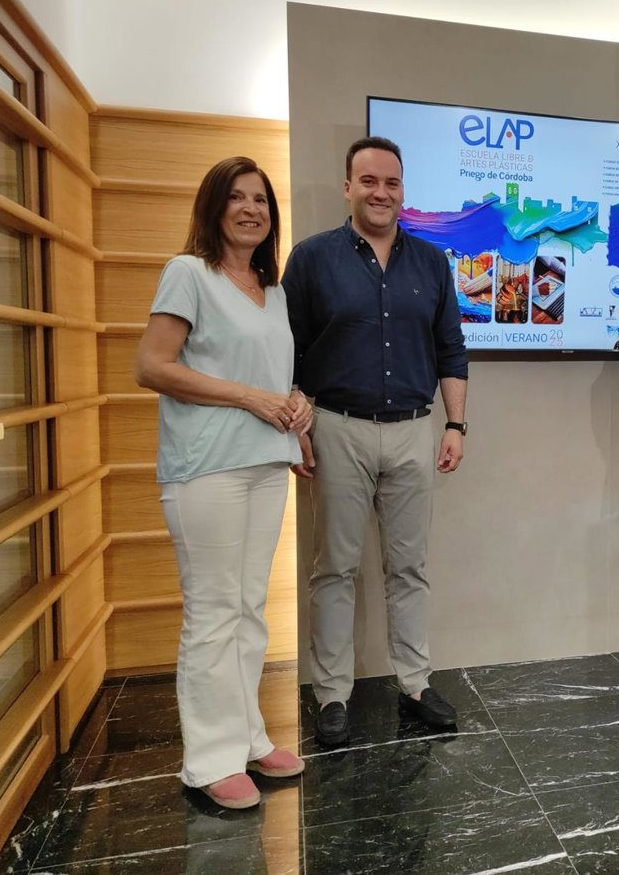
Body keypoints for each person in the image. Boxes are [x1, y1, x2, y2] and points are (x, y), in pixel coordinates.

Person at [134, 157, 310, 809]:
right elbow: (151, 366)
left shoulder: (274, 291)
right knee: (213, 613)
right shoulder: (189, 273)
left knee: (248, 610)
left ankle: (248, 737)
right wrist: (248, 397)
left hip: (265, 463)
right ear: (214, 207)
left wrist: (297, 402)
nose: (250, 209)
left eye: (260, 199)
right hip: (206, 468)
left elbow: (273, 376)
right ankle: (208, 761)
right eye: (236, 197)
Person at [284, 137, 469, 746]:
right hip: (336, 427)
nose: (380, 192)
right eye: (368, 181)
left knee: (409, 567)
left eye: (391, 182)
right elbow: (287, 350)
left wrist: (455, 424)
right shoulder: (312, 259)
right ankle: (332, 694)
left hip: (415, 429)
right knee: (334, 568)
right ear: (348, 187)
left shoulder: (432, 262)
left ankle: (415, 683)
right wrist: (297, 429)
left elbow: (450, 348)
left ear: (402, 190)